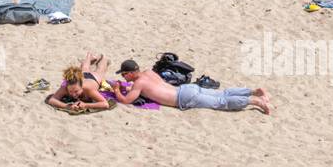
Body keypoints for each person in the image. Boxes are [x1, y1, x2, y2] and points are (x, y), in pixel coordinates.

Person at [110, 60, 271, 115]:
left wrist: (117, 89)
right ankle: (254, 91)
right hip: (185, 89)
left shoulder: (139, 83)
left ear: (131, 73)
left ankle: (255, 101)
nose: (123, 77)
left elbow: (126, 100)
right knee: (222, 93)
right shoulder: (149, 72)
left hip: (183, 98)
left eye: (124, 75)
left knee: (222, 102)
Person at [45, 54, 112, 113]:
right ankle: (89, 56)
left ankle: (103, 58)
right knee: (84, 68)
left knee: (100, 70)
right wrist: (67, 106)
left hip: (94, 79)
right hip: (81, 76)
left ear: (81, 87)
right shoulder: (65, 87)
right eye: (70, 91)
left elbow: (105, 104)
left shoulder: (88, 89)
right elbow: (52, 100)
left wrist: (86, 105)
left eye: (76, 91)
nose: (73, 94)